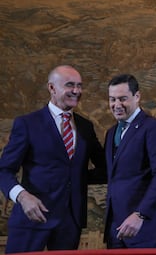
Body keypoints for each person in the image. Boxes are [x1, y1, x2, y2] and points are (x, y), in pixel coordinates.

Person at [0, 65, 107, 253]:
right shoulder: (27, 124)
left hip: (70, 223)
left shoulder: (86, 127)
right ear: (52, 88)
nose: (77, 91)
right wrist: (22, 197)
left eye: (80, 86)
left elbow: (105, 169)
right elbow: (4, 170)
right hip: (31, 219)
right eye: (70, 85)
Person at [104, 74, 156, 249]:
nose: (116, 105)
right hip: (115, 228)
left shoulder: (153, 128)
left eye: (122, 99)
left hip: (144, 226)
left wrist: (140, 214)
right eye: (112, 99)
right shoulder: (111, 133)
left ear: (137, 97)